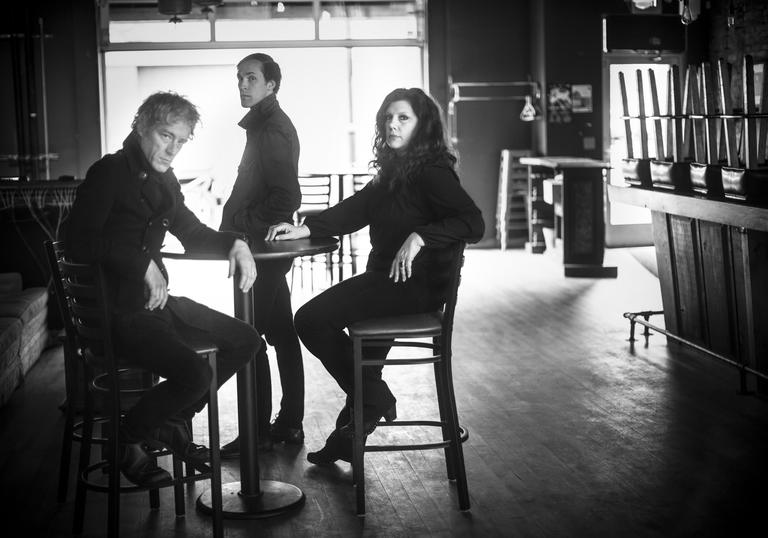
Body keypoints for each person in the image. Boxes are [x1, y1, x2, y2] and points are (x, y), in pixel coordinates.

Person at [265, 87, 485, 464]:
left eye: (403, 118)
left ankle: (373, 397)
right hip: (387, 283)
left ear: (423, 126)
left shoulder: (432, 173)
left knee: (310, 319)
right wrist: (307, 227)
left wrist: (421, 236)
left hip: (413, 288)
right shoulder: (396, 171)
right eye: (388, 117)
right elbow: (355, 210)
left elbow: (474, 222)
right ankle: (352, 428)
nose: (392, 124)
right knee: (362, 359)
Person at [64, 91, 265, 487]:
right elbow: (77, 242)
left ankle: (170, 421)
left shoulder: (165, 179)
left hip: (153, 306)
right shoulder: (110, 172)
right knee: (194, 372)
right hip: (116, 312)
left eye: (181, 140)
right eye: (165, 135)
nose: (172, 148)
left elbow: (191, 232)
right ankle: (127, 438)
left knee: (245, 340)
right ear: (141, 127)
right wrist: (141, 263)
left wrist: (235, 242)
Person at [218, 52, 304, 458]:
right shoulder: (263, 125)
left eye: (251, 78)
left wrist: (241, 224)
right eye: (239, 78)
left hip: (263, 252)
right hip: (262, 250)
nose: (242, 85)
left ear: (271, 85)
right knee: (282, 333)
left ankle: (258, 430)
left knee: (248, 336)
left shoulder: (271, 129)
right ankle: (288, 424)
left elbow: (287, 198)